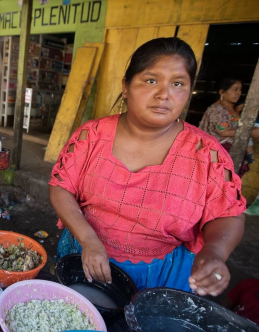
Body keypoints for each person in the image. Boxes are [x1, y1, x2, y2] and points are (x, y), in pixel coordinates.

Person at [50, 37, 245, 296]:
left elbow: (227, 213)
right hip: (84, 257)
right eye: (151, 80)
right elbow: (61, 188)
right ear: (127, 86)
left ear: (188, 91)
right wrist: (88, 239)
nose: (164, 94)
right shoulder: (91, 136)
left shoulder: (207, 154)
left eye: (178, 83)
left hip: (162, 277)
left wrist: (214, 252)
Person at [199, 78, 259, 176]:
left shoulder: (234, 109)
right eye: (235, 89)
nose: (239, 93)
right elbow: (224, 132)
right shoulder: (216, 110)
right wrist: (251, 132)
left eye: (240, 89)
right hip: (217, 156)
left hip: (233, 154)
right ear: (222, 92)